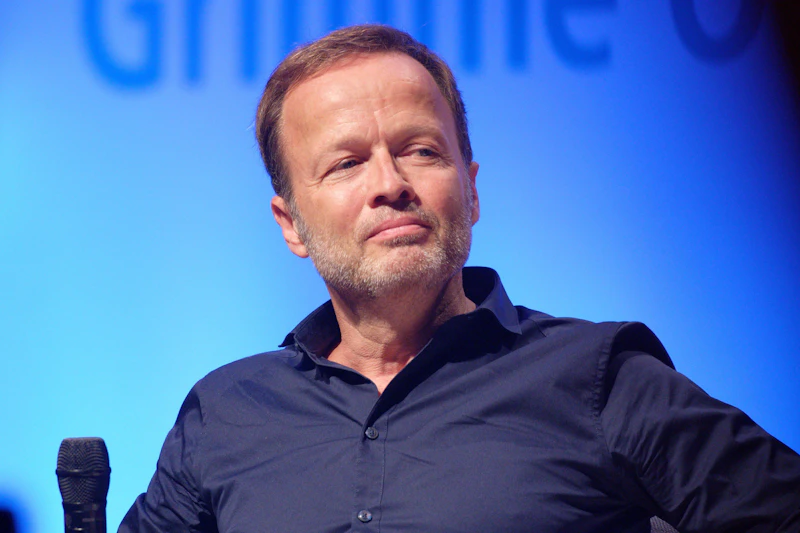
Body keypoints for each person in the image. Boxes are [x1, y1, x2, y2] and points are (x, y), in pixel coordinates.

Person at [119, 24, 800, 533]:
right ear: (290, 223)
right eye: (347, 163)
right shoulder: (226, 412)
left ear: (470, 192)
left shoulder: (599, 379)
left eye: (421, 151)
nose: (390, 183)